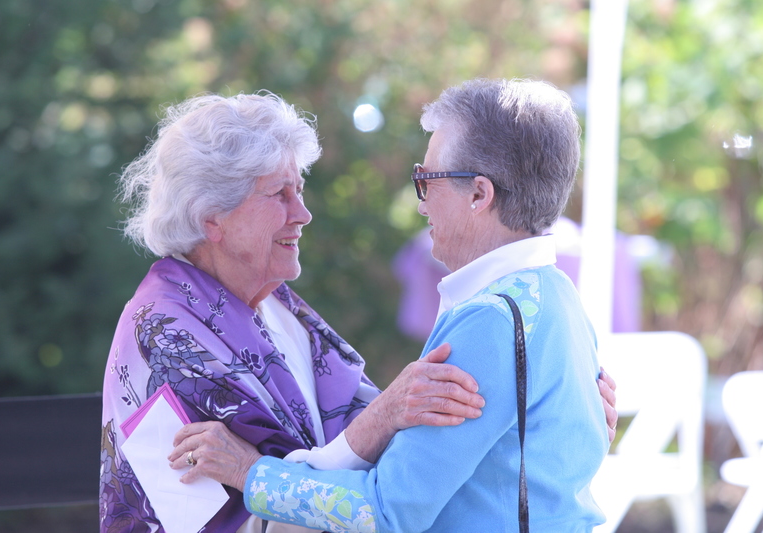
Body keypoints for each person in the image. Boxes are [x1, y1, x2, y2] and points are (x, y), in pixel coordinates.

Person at [173, 78, 613, 532]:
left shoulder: (491, 319)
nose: (421, 205)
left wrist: (249, 472)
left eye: (426, 180)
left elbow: (387, 511)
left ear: (479, 195)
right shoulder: (556, 294)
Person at [100, 92, 492, 533]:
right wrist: (383, 417)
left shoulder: (275, 303)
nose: (303, 214)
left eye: (299, 190)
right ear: (211, 216)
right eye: (278, 194)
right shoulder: (158, 335)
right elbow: (203, 525)